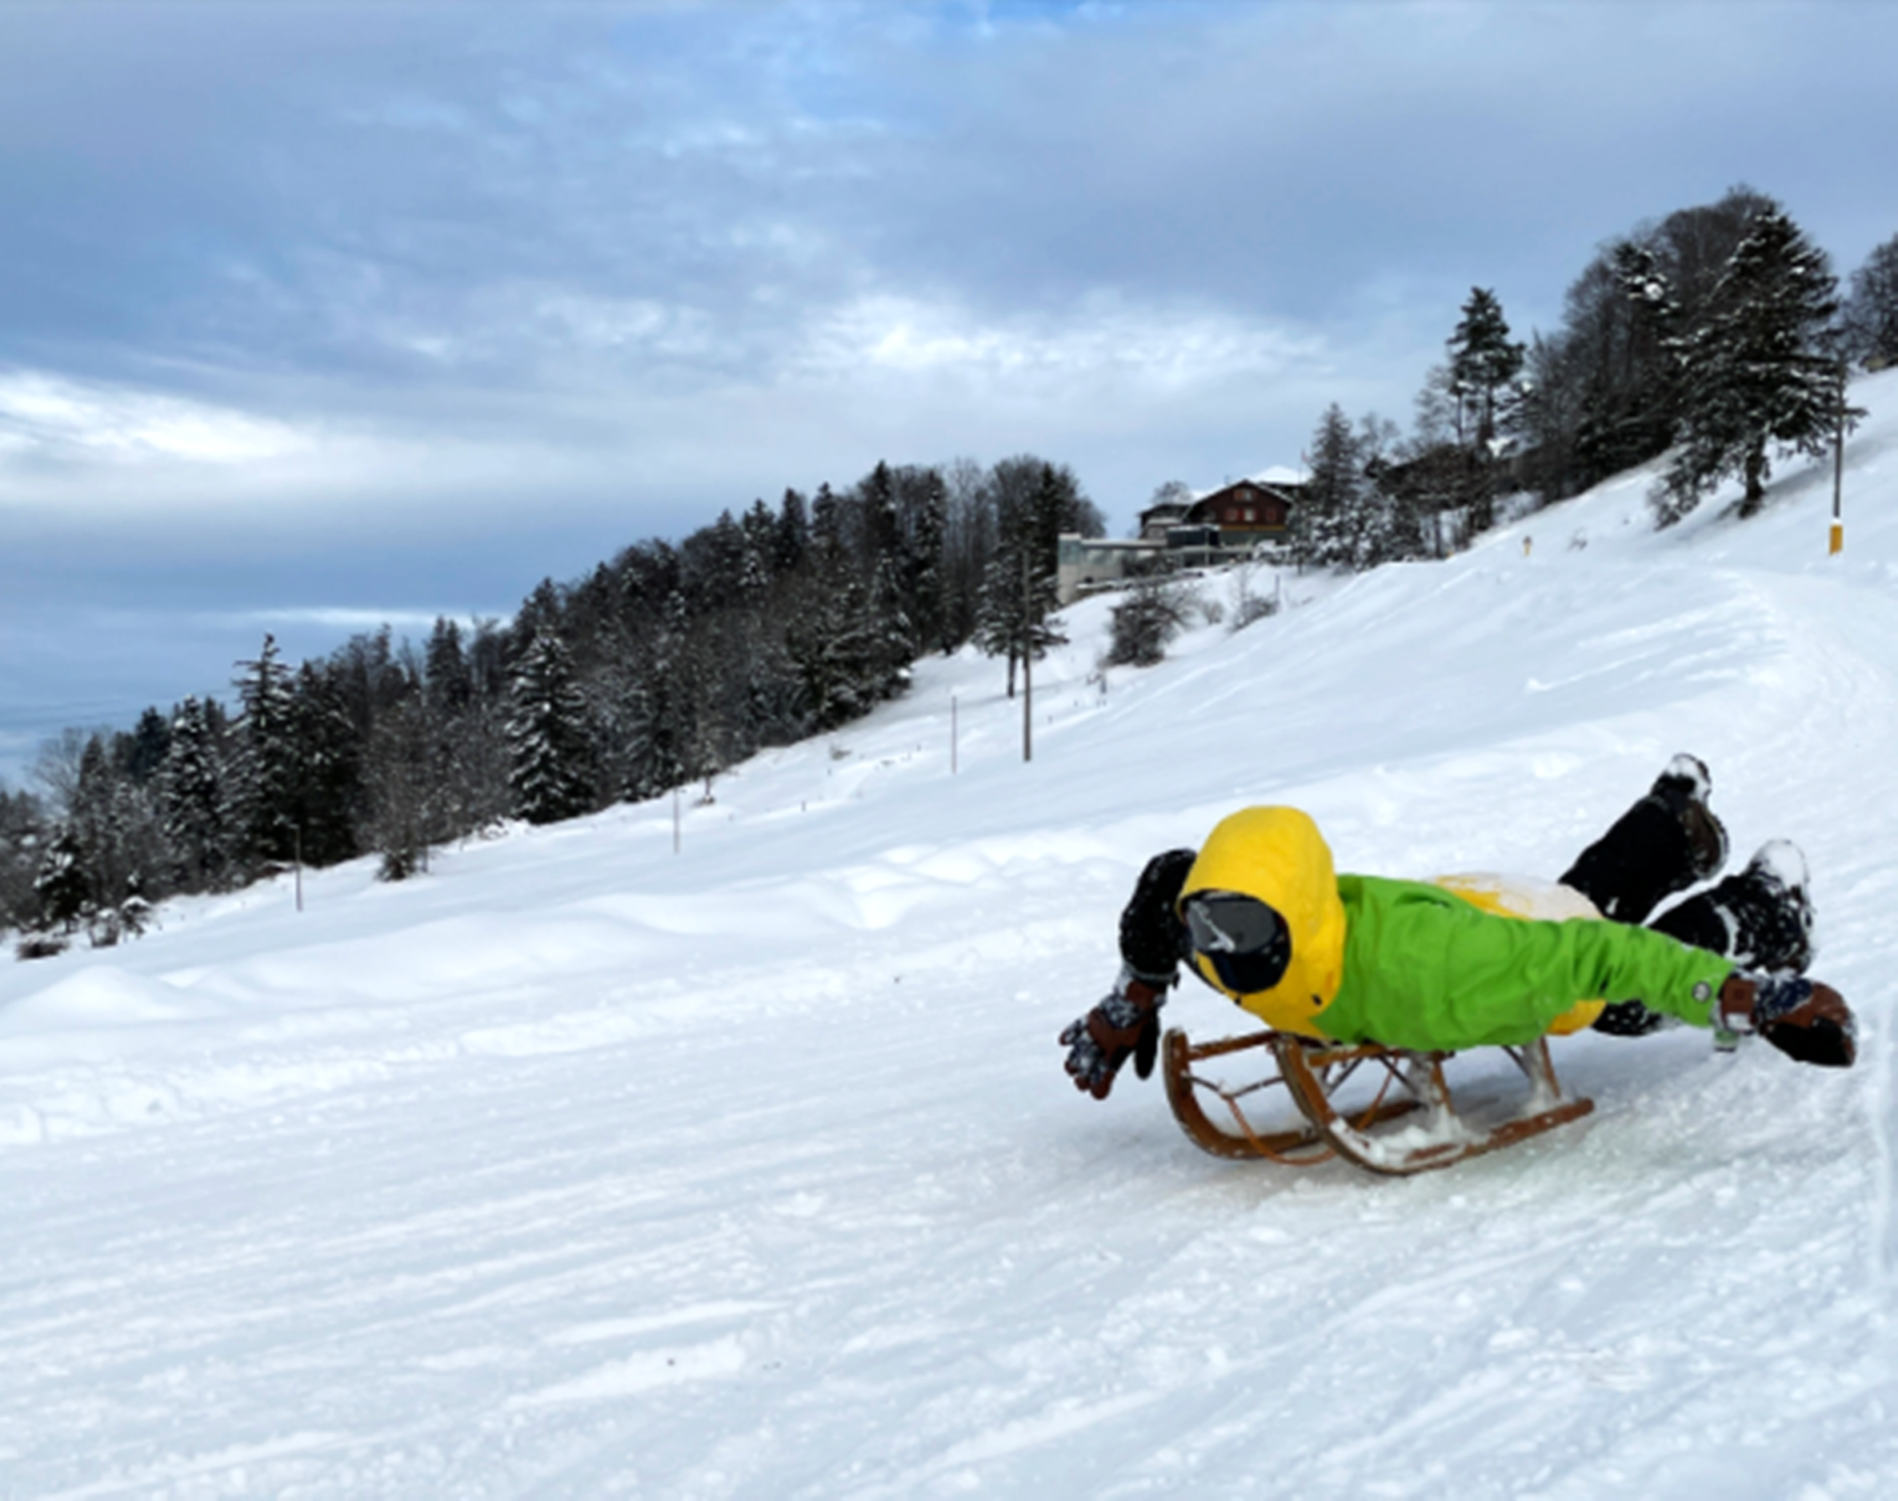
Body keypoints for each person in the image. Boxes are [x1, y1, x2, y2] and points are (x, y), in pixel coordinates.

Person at [1060, 756, 1856, 1100]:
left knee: (1610, 990)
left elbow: (1601, 955)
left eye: (1238, 924)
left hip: (1476, 939)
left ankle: (1770, 900)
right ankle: (1672, 819)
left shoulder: (1434, 973)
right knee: (1573, 899)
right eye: (1205, 926)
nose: (1220, 954)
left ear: (1298, 913)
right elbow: (1169, 873)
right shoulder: (1215, 941)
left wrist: (1744, 995)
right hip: (1465, 907)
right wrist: (1137, 992)